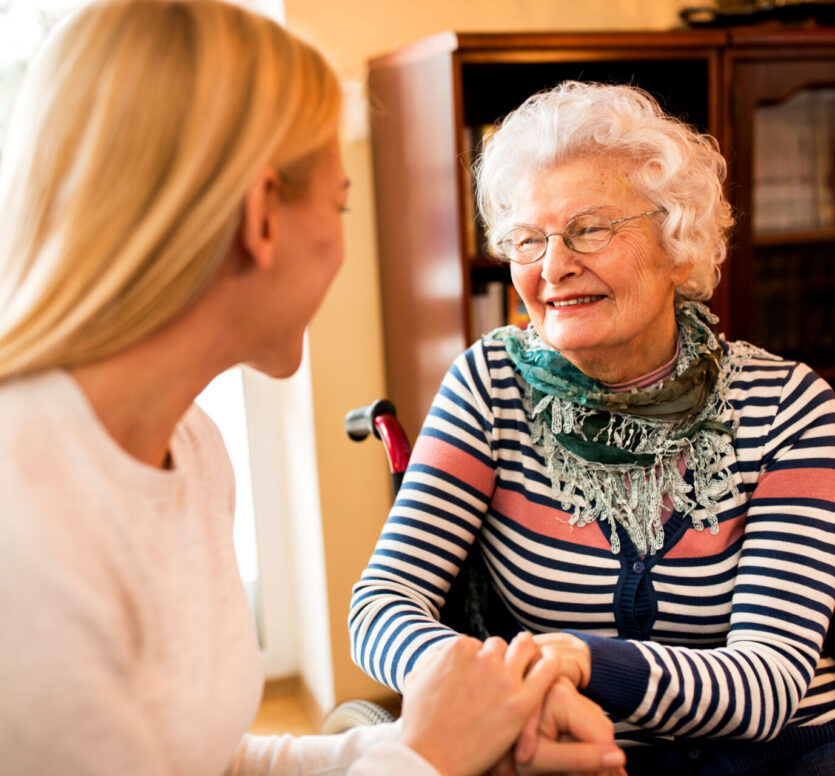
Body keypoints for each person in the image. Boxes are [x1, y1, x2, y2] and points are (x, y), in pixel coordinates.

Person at [0, 3, 628, 775]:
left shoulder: (190, 447)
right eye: (338, 204)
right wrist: (426, 757)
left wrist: (429, 744)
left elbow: (200, 759)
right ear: (263, 216)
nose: (555, 266)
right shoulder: (22, 528)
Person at [350, 81, 835, 775]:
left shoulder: (788, 406)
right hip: (570, 752)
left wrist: (574, 661)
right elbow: (379, 607)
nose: (552, 267)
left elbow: (763, 687)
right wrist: (497, 686)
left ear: (678, 240)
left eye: (590, 229)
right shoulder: (489, 385)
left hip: (780, 756)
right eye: (527, 239)